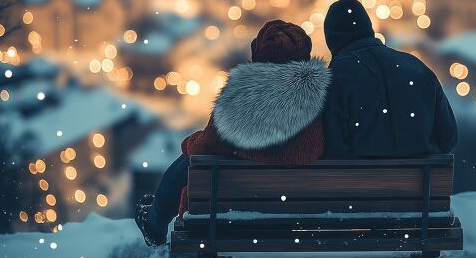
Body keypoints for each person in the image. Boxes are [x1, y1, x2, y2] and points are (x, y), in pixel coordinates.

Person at [135, 20, 331, 246]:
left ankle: (154, 224)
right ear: (305, 55)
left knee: (191, 160)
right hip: (305, 210)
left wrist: (191, 142)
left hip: (239, 211)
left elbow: (207, 148)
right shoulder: (323, 99)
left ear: (257, 55)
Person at [322, 0, 457, 158]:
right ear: (368, 29)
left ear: (332, 40)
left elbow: (332, 148)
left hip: (358, 182)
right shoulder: (417, 68)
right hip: (422, 181)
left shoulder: (334, 78)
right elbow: (448, 139)